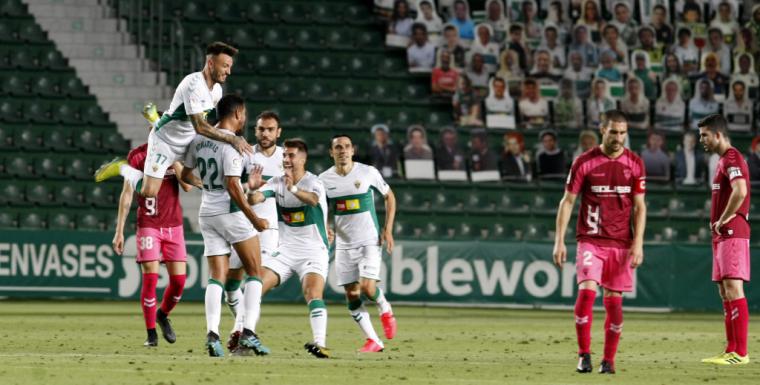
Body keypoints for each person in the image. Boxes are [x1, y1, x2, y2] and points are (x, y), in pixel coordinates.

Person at [553, 110, 646, 375]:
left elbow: (640, 207)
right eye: (613, 132)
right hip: (591, 240)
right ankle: (584, 355)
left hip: (621, 243)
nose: (618, 137)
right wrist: (559, 241)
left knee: (614, 304)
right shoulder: (584, 162)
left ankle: (609, 360)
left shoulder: (636, 164)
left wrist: (638, 243)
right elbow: (567, 201)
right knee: (586, 294)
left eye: (623, 132)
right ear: (602, 130)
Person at [95, 42, 251, 196]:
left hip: (188, 141)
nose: (229, 71)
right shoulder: (194, 85)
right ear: (210, 64)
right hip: (165, 141)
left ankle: (212, 189)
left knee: (192, 179)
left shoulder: (217, 90)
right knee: (149, 192)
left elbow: (206, 122)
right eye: (225, 66)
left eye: (230, 66)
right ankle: (122, 167)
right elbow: (200, 127)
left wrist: (229, 136)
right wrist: (232, 140)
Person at [181, 94, 269, 357]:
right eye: (244, 113)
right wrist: (255, 219)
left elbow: (185, 175)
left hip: (207, 211)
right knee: (255, 272)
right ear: (238, 113)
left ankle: (212, 333)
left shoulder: (198, 139)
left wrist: (207, 187)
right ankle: (249, 332)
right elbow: (232, 185)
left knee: (216, 277)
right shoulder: (231, 145)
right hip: (230, 212)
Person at [246, 138, 332, 358]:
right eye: (284, 155)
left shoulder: (314, 182)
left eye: (291, 155)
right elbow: (255, 199)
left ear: (303, 158)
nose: (286, 159)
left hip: (313, 250)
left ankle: (319, 343)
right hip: (285, 250)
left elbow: (312, 200)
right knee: (255, 284)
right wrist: (251, 190)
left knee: (312, 292)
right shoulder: (276, 182)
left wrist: (293, 187)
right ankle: (246, 335)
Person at [112, 115, 192, 347]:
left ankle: (162, 315)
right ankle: (151, 335)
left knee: (179, 282)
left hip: (174, 225)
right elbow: (127, 196)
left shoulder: (176, 155)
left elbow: (186, 186)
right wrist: (119, 231)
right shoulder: (136, 156)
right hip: (148, 226)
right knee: (151, 279)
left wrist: (174, 158)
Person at [319, 135, 398, 353]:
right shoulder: (323, 180)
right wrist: (325, 226)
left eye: (346, 147)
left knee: (367, 287)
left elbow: (389, 197)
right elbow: (318, 208)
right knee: (352, 295)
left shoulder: (367, 172)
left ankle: (384, 307)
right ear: (331, 152)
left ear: (353, 150)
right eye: (337, 147)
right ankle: (373, 340)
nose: (342, 150)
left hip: (369, 241)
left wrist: (388, 229)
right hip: (344, 245)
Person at [224, 111, 284, 351]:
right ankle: (242, 326)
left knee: (255, 278)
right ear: (255, 130)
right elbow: (232, 188)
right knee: (230, 286)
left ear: (278, 132)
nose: (265, 133)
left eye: (270, 129)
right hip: (242, 225)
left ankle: (242, 330)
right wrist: (251, 184)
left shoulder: (285, 158)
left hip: (269, 228)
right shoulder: (245, 153)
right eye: (261, 129)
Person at [697, 114, 751, 366]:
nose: (701, 140)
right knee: (724, 291)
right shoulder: (722, 161)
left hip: (732, 231)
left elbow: (741, 190)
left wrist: (723, 219)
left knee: (733, 288)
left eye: (704, 135)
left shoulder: (731, 157)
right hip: (722, 234)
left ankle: (740, 353)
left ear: (718, 134)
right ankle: (731, 349)